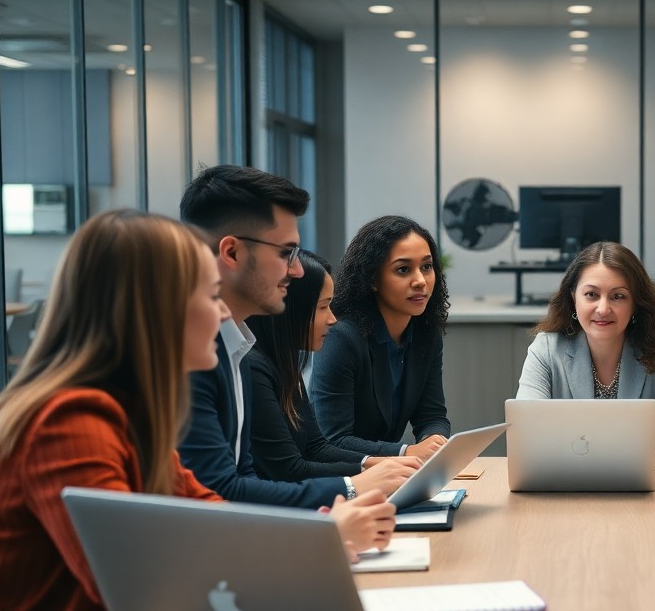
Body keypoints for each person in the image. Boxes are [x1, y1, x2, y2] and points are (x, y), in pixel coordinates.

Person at [0, 211, 394, 611]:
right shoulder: (68, 421)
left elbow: (212, 521)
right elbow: (144, 589)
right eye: (210, 297)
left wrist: (317, 542)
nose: (224, 312)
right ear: (153, 314)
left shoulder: (135, 419)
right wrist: (322, 541)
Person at [178, 166, 413, 508]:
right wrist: (352, 487)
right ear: (231, 253)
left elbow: (243, 479)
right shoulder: (190, 355)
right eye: (285, 252)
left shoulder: (237, 347)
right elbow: (221, 492)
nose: (297, 270)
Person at [516, 241, 655, 468]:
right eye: (591, 294)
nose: (603, 308)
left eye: (618, 296)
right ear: (573, 298)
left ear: (636, 303)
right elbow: (525, 432)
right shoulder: (546, 348)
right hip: (566, 480)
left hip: (638, 485)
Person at [249, 250, 422, 482]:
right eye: (323, 307)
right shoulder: (253, 369)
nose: (332, 319)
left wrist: (385, 463)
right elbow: (289, 470)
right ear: (290, 309)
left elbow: (316, 448)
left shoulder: (284, 362)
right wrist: (368, 475)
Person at [312, 216, 451, 460]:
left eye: (426, 267)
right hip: (338, 479)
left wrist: (434, 443)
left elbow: (432, 416)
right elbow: (332, 439)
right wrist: (406, 451)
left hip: (387, 474)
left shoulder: (425, 334)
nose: (420, 280)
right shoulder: (341, 338)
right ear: (373, 279)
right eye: (403, 269)